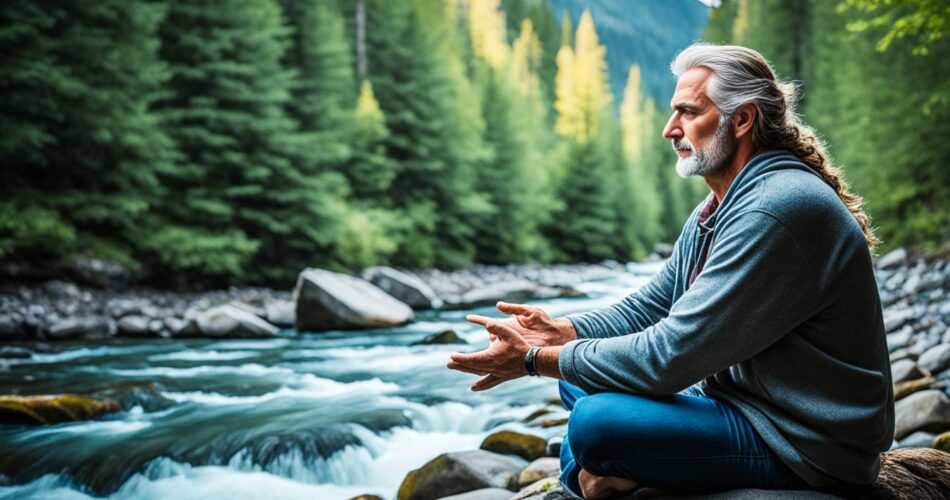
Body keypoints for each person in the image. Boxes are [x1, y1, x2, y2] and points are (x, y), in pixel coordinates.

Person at [447, 43, 894, 499]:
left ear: (742, 120)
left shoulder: (777, 210)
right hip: (741, 408)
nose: (669, 129)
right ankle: (605, 477)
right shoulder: (720, 206)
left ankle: (596, 480)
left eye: (687, 112)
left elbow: (667, 358)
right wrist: (561, 331)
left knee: (595, 422)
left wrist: (533, 361)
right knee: (583, 380)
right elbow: (651, 305)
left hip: (805, 445)